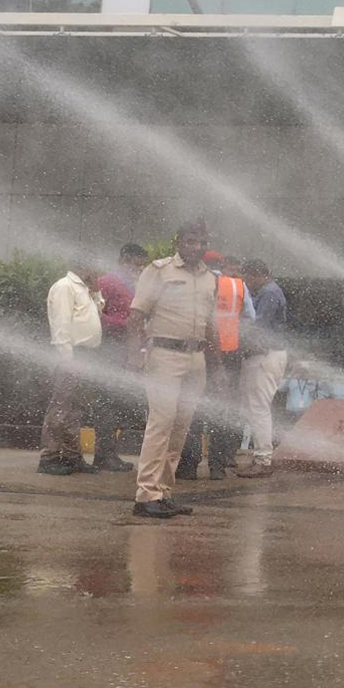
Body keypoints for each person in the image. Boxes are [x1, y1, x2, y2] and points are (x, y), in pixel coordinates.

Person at [127, 220, 217, 519]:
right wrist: (136, 354)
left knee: (180, 427)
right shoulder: (159, 271)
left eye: (202, 242)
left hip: (196, 357)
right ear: (178, 242)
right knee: (161, 424)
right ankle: (146, 495)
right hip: (165, 355)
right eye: (191, 241)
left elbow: (210, 324)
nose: (197, 247)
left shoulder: (209, 278)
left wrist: (217, 366)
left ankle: (163, 491)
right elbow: (137, 316)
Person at [177, 252, 253, 481]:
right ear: (221, 265)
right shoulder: (238, 286)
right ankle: (217, 467)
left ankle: (189, 466)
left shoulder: (194, 283)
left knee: (193, 409)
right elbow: (250, 318)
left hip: (198, 353)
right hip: (228, 355)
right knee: (221, 410)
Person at [38, 262, 106, 476]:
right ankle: (49, 457)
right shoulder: (64, 286)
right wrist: (68, 360)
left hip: (85, 356)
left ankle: (71, 456)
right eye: (92, 265)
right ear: (80, 264)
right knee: (60, 407)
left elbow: (99, 311)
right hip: (71, 355)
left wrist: (96, 292)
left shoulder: (84, 289)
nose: (96, 269)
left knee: (74, 409)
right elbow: (61, 326)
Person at [90, 243, 150, 472]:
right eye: (137, 264)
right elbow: (96, 315)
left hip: (127, 354)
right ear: (124, 259)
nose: (140, 268)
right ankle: (103, 454)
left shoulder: (134, 286)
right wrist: (126, 325)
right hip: (109, 353)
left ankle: (109, 453)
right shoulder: (106, 283)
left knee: (117, 405)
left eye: (142, 265)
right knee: (107, 404)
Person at [236, 259, 288, 477]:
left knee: (259, 408)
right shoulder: (268, 291)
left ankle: (263, 460)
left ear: (259, 275)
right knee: (257, 408)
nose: (246, 282)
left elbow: (259, 327)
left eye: (247, 277)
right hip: (266, 355)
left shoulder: (269, 293)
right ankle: (261, 457)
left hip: (265, 356)